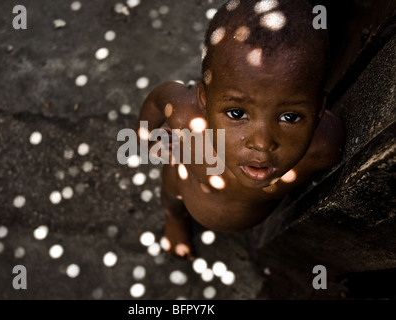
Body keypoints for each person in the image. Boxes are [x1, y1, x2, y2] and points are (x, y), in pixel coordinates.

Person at [136, 0, 344, 259]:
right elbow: (158, 99)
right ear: (203, 99)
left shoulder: (323, 148)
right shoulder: (185, 115)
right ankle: (175, 221)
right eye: (236, 113)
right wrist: (145, 139)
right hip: (183, 183)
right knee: (170, 196)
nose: (262, 142)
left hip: (252, 215)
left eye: (290, 117)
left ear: (319, 108)